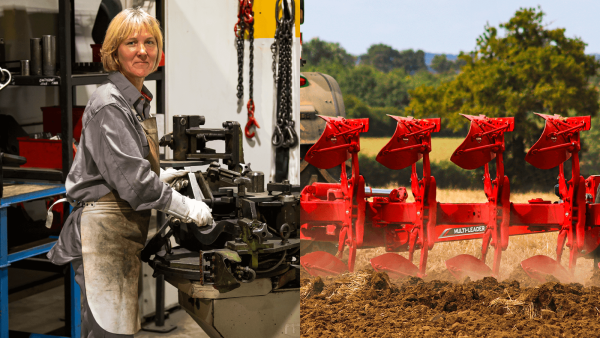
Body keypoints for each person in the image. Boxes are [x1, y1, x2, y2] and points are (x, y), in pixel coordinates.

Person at [47, 8, 212, 337]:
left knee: (117, 330)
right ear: (113, 51)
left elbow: (125, 170)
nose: (142, 50)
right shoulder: (110, 104)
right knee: (109, 332)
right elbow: (136, 185)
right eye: (131, 42)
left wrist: (163, 177)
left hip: (119, 232)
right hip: (103, 234)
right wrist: (186, 206)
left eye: (150, 42)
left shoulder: (134, 101)